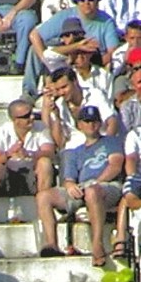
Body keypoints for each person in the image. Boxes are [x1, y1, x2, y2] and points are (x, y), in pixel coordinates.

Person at [36, 104, 124, 265]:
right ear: (80, 125)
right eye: (87, 121)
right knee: (44, 196)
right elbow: (68, 178)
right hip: (83, 187)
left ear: (100, 123)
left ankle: (97, 245)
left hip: (108, 186)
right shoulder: (75, 151)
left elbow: (115, 165)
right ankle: (51, 243)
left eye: (94, 121)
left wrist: (96, 182)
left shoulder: (112, 142)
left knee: (92, 191)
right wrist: (70, 186)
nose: (91, 125)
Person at [23, 0, 120, 101]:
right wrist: (47, 61)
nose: (86, 3)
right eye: (82, 0)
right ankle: (29, 93)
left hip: (93, 62)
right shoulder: (66, 15)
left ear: (97, 1)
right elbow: (34, 35)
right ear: (76, 2)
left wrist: (92, 63)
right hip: (65, 58)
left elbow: (112, 51)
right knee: (34, 49)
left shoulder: (107, 21)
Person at [0, 98, 55, 226]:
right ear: (15, 120)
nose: (32, 117)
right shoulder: (2, 131)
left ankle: (42, 213)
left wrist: (30, 154)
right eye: (26, 116)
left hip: (32, 176)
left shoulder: (41, 128)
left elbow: (50, 152)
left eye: (31, 113)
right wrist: (9, 154)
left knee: (45, 162)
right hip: (8, 178)